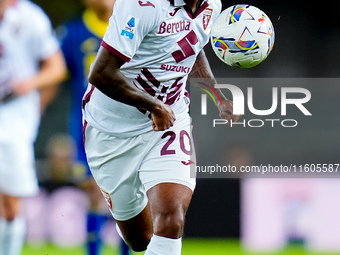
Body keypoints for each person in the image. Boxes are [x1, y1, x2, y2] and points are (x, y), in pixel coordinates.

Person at [82, 0, 240, 254]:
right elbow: (100, 73)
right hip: (111, 129)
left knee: (171, 220)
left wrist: (217, 94)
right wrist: (152, 105)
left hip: (170, 121)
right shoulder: (141, 5)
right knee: (140, 239)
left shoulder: (212, 5)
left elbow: (192, 45)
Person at [58, 0, 130, 254]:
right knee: (93, 192)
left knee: (127, 194)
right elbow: (57, 73)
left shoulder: (132, 25)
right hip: (87, 127)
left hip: (127, 123)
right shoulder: (73, 32)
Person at [0, 0, 66, 255]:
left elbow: (56, 68)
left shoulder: (30, 17)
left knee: (10, 201)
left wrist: (27, 86)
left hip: (14, 122)